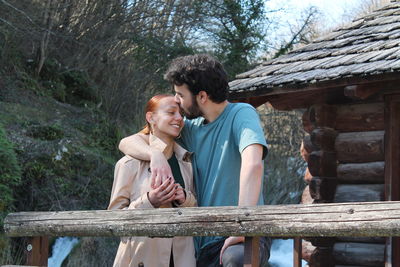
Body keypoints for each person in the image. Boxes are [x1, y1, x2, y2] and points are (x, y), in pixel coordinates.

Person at [119, 54, 271, 266]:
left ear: (201, 97)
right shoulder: (190, 128)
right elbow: (127, 143)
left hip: (242, 235)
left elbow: (253, 163)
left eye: (180, 95)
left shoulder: (241, 113)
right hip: (201, 243)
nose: (177, 102)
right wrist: (155, 155)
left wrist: (242, 225)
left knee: (235, 260)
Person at [108, 94, 197, 267]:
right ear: (151, 117)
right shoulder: (128, 164)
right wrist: (149, 201)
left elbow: (195, 209)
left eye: (181, 114)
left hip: (182, 260)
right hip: (142, 259)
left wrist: (185, 198)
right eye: (171, 112)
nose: (179, 118)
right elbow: (113, 221)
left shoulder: (186, 163)